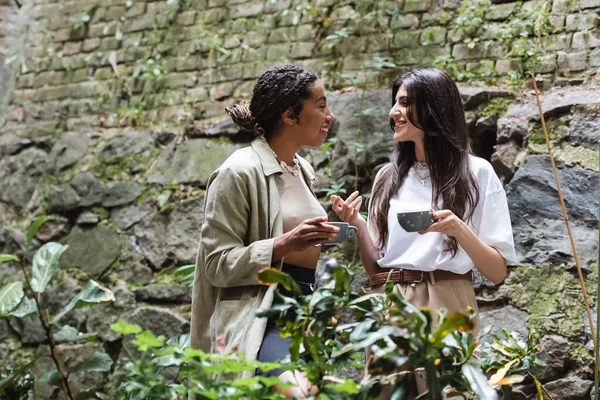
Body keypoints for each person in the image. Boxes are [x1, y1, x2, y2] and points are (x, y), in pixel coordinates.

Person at [331, 68, 517, 396]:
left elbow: (497, 271)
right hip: (390, 301)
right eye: (395, 103)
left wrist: (459, 229)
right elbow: (376, 267)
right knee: (385, 393)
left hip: (446, 297)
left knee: (446, 393)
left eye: (404, 103)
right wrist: (358, 223)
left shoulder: (477, 173)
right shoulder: (387, 178)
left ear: (432, 109)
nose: (393, 112)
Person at [190, 64, 338, 398]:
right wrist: (283, 244)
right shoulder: (238, 171)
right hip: (261, 312)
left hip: (305, 308)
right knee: (295, 394)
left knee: (310, 392)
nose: (329, 115)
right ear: (290, 115)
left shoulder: (303, 169)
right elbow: (215, 264)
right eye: (321, 105)